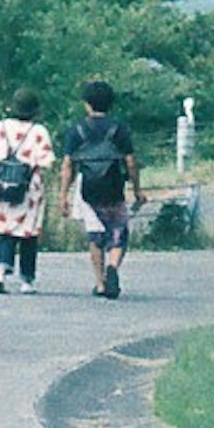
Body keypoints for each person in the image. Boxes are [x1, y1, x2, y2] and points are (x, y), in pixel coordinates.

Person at [61, 78, 140, 299]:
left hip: (88, 188)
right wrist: (137, 188)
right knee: (118, 231)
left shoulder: (77, 130)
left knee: (95, 235)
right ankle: (113, 266)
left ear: (87, 104)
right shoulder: (119, 129)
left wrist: (63, 196)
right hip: (114, 186)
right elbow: (131, 162)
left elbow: (68, 165)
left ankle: (101, 283)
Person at [0, 88, 55, 294]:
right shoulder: (39, 131)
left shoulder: (0, 127)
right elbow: (47, 162)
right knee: (28, 233)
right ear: (35, 110)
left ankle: (2, 268)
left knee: (6, 229)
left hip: (1, 185)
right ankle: (26, 280)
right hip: (29, 188)